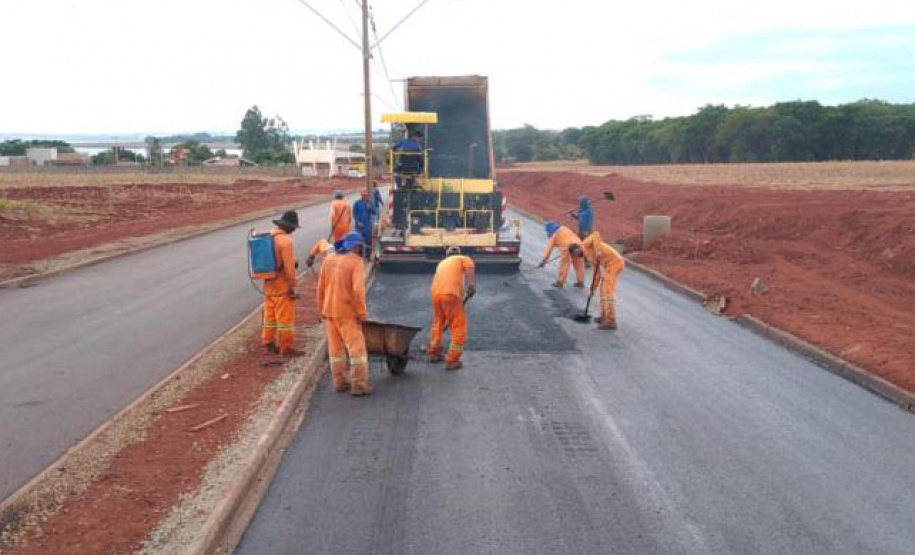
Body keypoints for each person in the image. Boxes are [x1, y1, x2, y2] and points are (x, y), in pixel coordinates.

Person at [316, 231, 371, 396]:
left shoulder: (329, 259)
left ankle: (339, 382)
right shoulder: (356, 262)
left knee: (335, 350)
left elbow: (320, 287)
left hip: (329, 311)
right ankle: (359, 385)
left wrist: (321, 309)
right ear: (356, 247)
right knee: (357, 350)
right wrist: (361, 313)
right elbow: (358, 291)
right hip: (347, 312)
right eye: (359, 247)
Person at [262, 210, 305, 357]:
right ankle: (286, 348)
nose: (294, 230)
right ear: (288, 226)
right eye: (293, 227)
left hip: (268, 283)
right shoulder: (286, 241)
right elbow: (289, 270)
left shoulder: (269, 237)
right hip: (281, 286)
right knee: (285, 319)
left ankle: (268, 343)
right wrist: (293, 287)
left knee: (269, 316)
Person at [428, 246, 476, 370]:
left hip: (436, 295)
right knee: (458, 327)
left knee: (438, 323)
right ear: (459, 253)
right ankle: (452, 360)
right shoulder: (464, 258)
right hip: (451, 295)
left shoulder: (442, 263)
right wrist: (471, 286)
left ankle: (434, 352)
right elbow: (470, 270)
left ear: (447, 255)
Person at [582, 231, 625, 330]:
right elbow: (597, 275)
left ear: (577, 249)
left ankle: (611, 321)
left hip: (616, 262)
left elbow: (596, 234)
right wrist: (592, 290)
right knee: (602, 290)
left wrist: (598, 250)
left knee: (608, 290)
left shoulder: (585, 244)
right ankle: (604, 316)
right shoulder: (589, 257)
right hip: (609, 266)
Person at [538, 221, 585, 288]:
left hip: (568, 247)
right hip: (579, 244)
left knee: (564, 263)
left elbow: (549, 249)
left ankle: (560, 282)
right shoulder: (563, 228)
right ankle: (580, 281)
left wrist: (544, 260)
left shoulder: (554, 235)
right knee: (579, 264)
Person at [352, 190, 376, 258]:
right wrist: (357, 222)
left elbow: (374, 212)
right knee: (359, 240)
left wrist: (370, 208)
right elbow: (354, 213)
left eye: (365, 195)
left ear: (367, 196)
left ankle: (368, 255)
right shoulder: (357, 203)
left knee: (368, 240)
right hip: (359, 225)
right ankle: (360, 255)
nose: (364, 196)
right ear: (361, 195)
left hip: (367, 225)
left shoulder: (370, 203)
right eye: (363, 195)